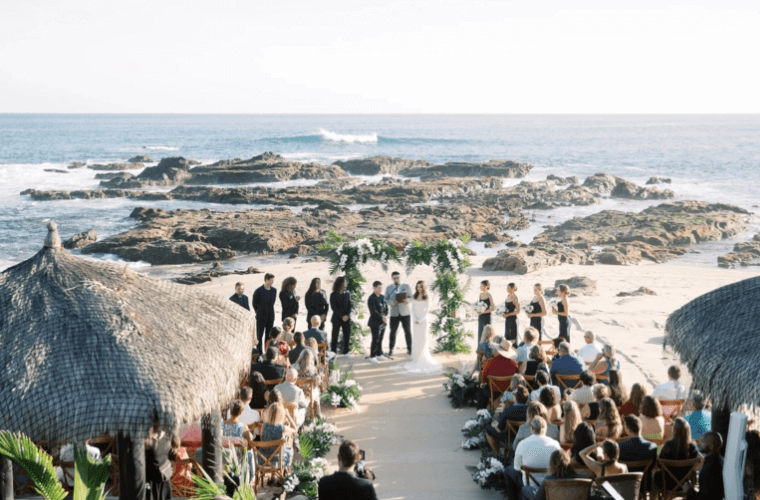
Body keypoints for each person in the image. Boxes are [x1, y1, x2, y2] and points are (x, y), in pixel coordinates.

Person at [504, 417, 562, 500]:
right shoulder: (555, 444)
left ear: (531, 429)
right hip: (549, 485)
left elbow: (517, 467)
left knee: (508, 470)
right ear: (545, 428)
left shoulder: (522, 443)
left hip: (529, 485)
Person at [395, 280, 441, 375]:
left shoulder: (427, 297)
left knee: (423, 339)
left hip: (423, 321)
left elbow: (426, 311)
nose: (419, 289)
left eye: (420, 287)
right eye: (417, 287)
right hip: (415, 320)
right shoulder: (415, 296)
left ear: (423, 288)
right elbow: (411, 306)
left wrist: (420, 320)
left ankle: (423, 356)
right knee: (416, 339)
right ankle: (416, 357)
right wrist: (415, 318)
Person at [655, 417, 699, 491]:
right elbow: (695, 466)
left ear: (674, 430)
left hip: (667, 483)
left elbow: (660, 465)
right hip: (686, 484)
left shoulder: (668, 445)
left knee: (655, 476)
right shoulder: (692, 446)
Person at [476, 338, 519, 409]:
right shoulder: (513, 364)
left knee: (483, 389)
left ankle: (481, 412)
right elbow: (516, 379)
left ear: (498, 351)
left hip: (493, 392)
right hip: (508, 392)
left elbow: (483, 378)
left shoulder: (490, 362)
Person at [485, 385, 530, 452]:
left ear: (516, 398)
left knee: (488, 428)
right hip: (527, 437)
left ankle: (497, 454)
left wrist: (495, 424)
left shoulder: (508, 410)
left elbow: (499, 430)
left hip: (510, 438)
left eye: (514, 394)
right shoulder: (531, 410)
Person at [686, 431, 724, 499]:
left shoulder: (709, 468)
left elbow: (704, 498)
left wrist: (688, 490)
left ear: (711, 446)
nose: (700, 444)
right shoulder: (721, 461)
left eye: (703, 442)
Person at [385, 271, 413, 357]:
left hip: (405, 312)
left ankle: (410, 349)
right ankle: (391, 349)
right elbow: (385, 300)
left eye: (398, 277)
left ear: (400, 277)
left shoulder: (406, 286)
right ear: (392, 278)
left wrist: (407, 300)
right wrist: (392, 302)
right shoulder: (388, 288)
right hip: (394, 313)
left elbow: (411, 297)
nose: (396, 279)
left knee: (407, 331)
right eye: (394, 278)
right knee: (392, 332)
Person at [259, 402, 296, 468]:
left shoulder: (263, 426)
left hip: (263, 461)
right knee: (290, 448)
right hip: (278, 462)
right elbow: (295, 430)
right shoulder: (282, 428)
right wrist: (288, 416)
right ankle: (286, 470)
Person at [145, 425, 173, 500]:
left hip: (164, 478)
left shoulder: (168, 435)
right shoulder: (146, 437)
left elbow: (169, 454)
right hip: (149, 479)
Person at [253, 273, 277, 348]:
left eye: (272, 280)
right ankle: (259, 353)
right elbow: (254, 304)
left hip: (271, 316)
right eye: (270, 280)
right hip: (260, 316)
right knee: (259, 335)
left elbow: (273, 302)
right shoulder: (258, 291)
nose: (272, 282)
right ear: (265, 280)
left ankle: (267, 352)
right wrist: (259, 312)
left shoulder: (274, 290)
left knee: (269, 335)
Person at [367, 280, 389, 363]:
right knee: (375, 338)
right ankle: (372, 356)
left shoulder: (382, 297)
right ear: (374, 288)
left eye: (381, 288)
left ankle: (379, 354)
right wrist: (381, 318)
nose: (380, 289)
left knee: (381, 339)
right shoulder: (371, 298)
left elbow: (386, 308)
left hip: (383, 321)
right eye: (379, 288)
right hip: (375, 322)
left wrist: (386, 316)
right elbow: (373, 311)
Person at [330, 276, 352, 356]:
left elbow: (350, 305)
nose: (346, 283)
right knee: (334, 335)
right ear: (341, 283)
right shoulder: (333, 294)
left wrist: (347, 315)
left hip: (347, 318)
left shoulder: (347, 293)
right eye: (345, 282)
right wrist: (342, 316)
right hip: (337, 317)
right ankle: (333, 352)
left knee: (347, 334)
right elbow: (333, 307)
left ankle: (346, 352)